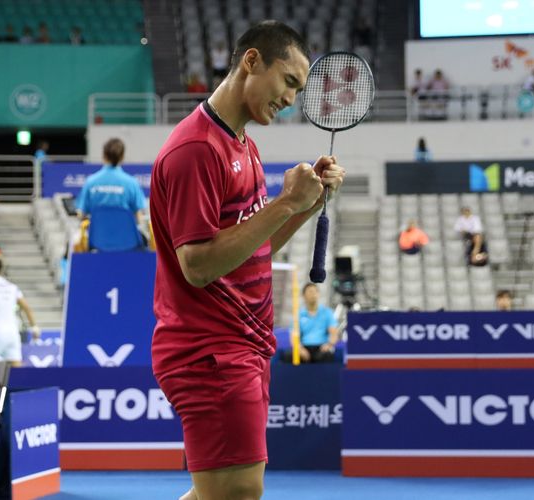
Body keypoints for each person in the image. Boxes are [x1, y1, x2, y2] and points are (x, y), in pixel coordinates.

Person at [149, 21, 344, 500]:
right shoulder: (197, 149)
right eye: (289, 82)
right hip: (209, 349)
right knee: (237, 493)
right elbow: (197, 267)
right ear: (252, 61)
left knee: (223, 493)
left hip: (244, 345)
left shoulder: (243, 145)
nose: (292, 99)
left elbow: (249, 253)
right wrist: (283, 202)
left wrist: (305, 206)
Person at [0, 257, 40, 368]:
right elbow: (27, 308)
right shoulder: (12, 287)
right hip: (12, 334)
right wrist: (35, 327)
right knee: (15, 368)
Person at [77, 138, 146, 222]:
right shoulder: (132, 183)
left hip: (98, 234)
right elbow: (139, 217)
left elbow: (81, 214)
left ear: (104, 156)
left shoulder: (90, 182)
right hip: (124, 234)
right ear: (122, 157)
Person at [296, 283, 339, 363]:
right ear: (304, 296)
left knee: (327, 356)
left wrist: (328, 345)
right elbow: (294, 336)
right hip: (305, 347)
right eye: (310, 292)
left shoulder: (327, 312)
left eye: (316, 291)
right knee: (290, 356)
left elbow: (334, 334)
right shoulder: (299, 314)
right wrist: (300, 349)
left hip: (322, 347)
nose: (313, 294)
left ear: (319, 294)